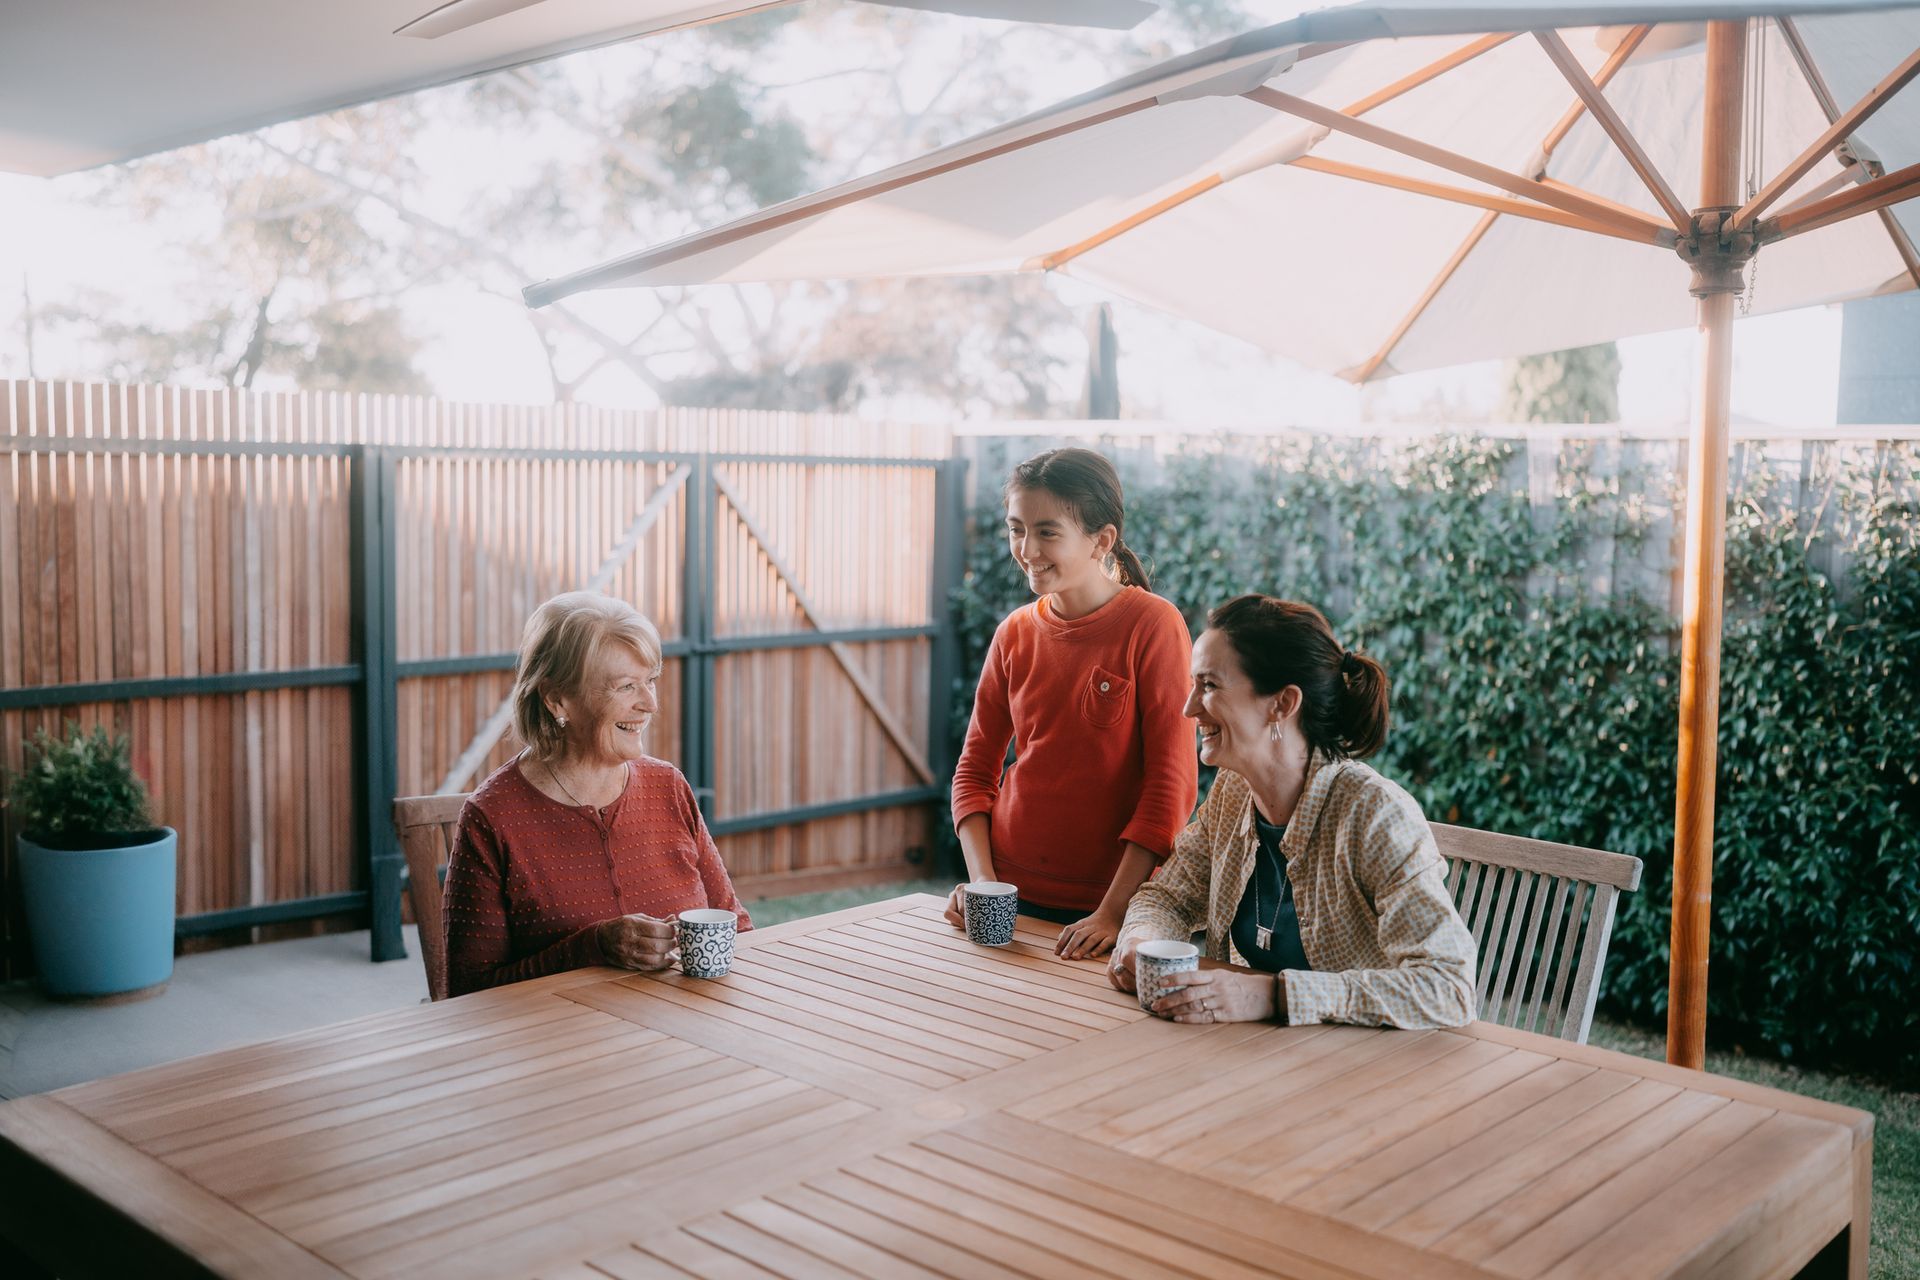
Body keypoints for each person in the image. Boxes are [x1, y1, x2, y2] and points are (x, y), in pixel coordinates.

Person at [1109, 594, 1474, 1028]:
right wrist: (1142, 940)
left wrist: (1274, 995)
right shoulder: (1232, 794)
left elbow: (1448, 986)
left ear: (1282, 704)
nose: (1188, 708)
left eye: (1209, 685)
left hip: (1364, 1071)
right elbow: (1167, 896)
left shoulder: (1374, 815)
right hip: (1248, 1056)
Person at [946, 448, 1199, 959]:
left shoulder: (1154, 626)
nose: (1026, 548)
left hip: (1109, 914)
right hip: (1011, 899)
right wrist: (982, 884)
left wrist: (1112, 912)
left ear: (1101, 540)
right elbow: (974, 770)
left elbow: (1170, 787)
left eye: (1047, 531)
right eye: (1016, 528)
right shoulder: (1013, 633)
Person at [443, 591, 749, 997]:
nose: (650, 704)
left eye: (650, 681)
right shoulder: (494, 816)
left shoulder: (667, 786)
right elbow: (468, 992)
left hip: (688, 1033)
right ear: (557, 699)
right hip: (563, 1046)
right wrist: (593, 946)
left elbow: (735, 924)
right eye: (626, 687)